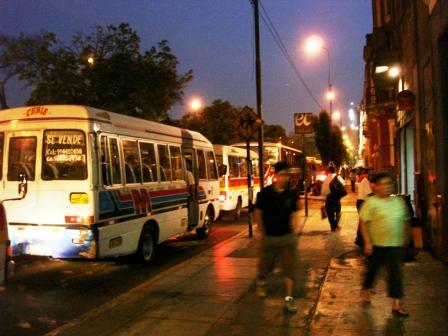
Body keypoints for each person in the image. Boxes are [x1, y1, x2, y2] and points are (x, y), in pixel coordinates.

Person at [359, 172, 411, 317]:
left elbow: (406, 219)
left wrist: (406, 236)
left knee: (396, 274)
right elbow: (363, 223)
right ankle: (366, 288)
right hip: (377, 245)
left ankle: (397, 303)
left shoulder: (398, 202)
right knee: (373, 270)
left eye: (390, 183)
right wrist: (367, 242)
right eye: (384, 184)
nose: (388, 187)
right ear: (376, 187)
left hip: (395, 244)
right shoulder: (371, 202)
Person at [254, 161, 300, 313]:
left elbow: (295, 212)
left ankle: (288, 298)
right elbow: (258, 212)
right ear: (275, 175)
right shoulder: (266, 193)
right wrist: (261, 230)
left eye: (286, 175)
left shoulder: (290, 194)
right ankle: (261, 280)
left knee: (289, 269)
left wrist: (295, 230)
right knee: (265, 266)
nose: (284, 178)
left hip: (287, 237)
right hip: (270, 237)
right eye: (281, 175)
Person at [321, 165, 346, 231]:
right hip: (336, 197)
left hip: (329, 198)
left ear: (329, 170)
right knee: (338, 211)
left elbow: (323, 190)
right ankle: (336, 224)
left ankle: (333, 224)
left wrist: (323, 199)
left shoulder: (326, 179)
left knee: (330, 213)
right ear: (335, 170)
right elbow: (343, 184)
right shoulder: (338, 177)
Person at [354, 168, 373, 247]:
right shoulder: (365, 181)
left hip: (363, 202)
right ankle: (360, 240)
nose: (371, 176)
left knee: (363, 221)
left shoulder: (366, 181)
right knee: (364, 221)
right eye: (370, 174)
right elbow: (369, 194)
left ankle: (359, 240)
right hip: (362, 202)